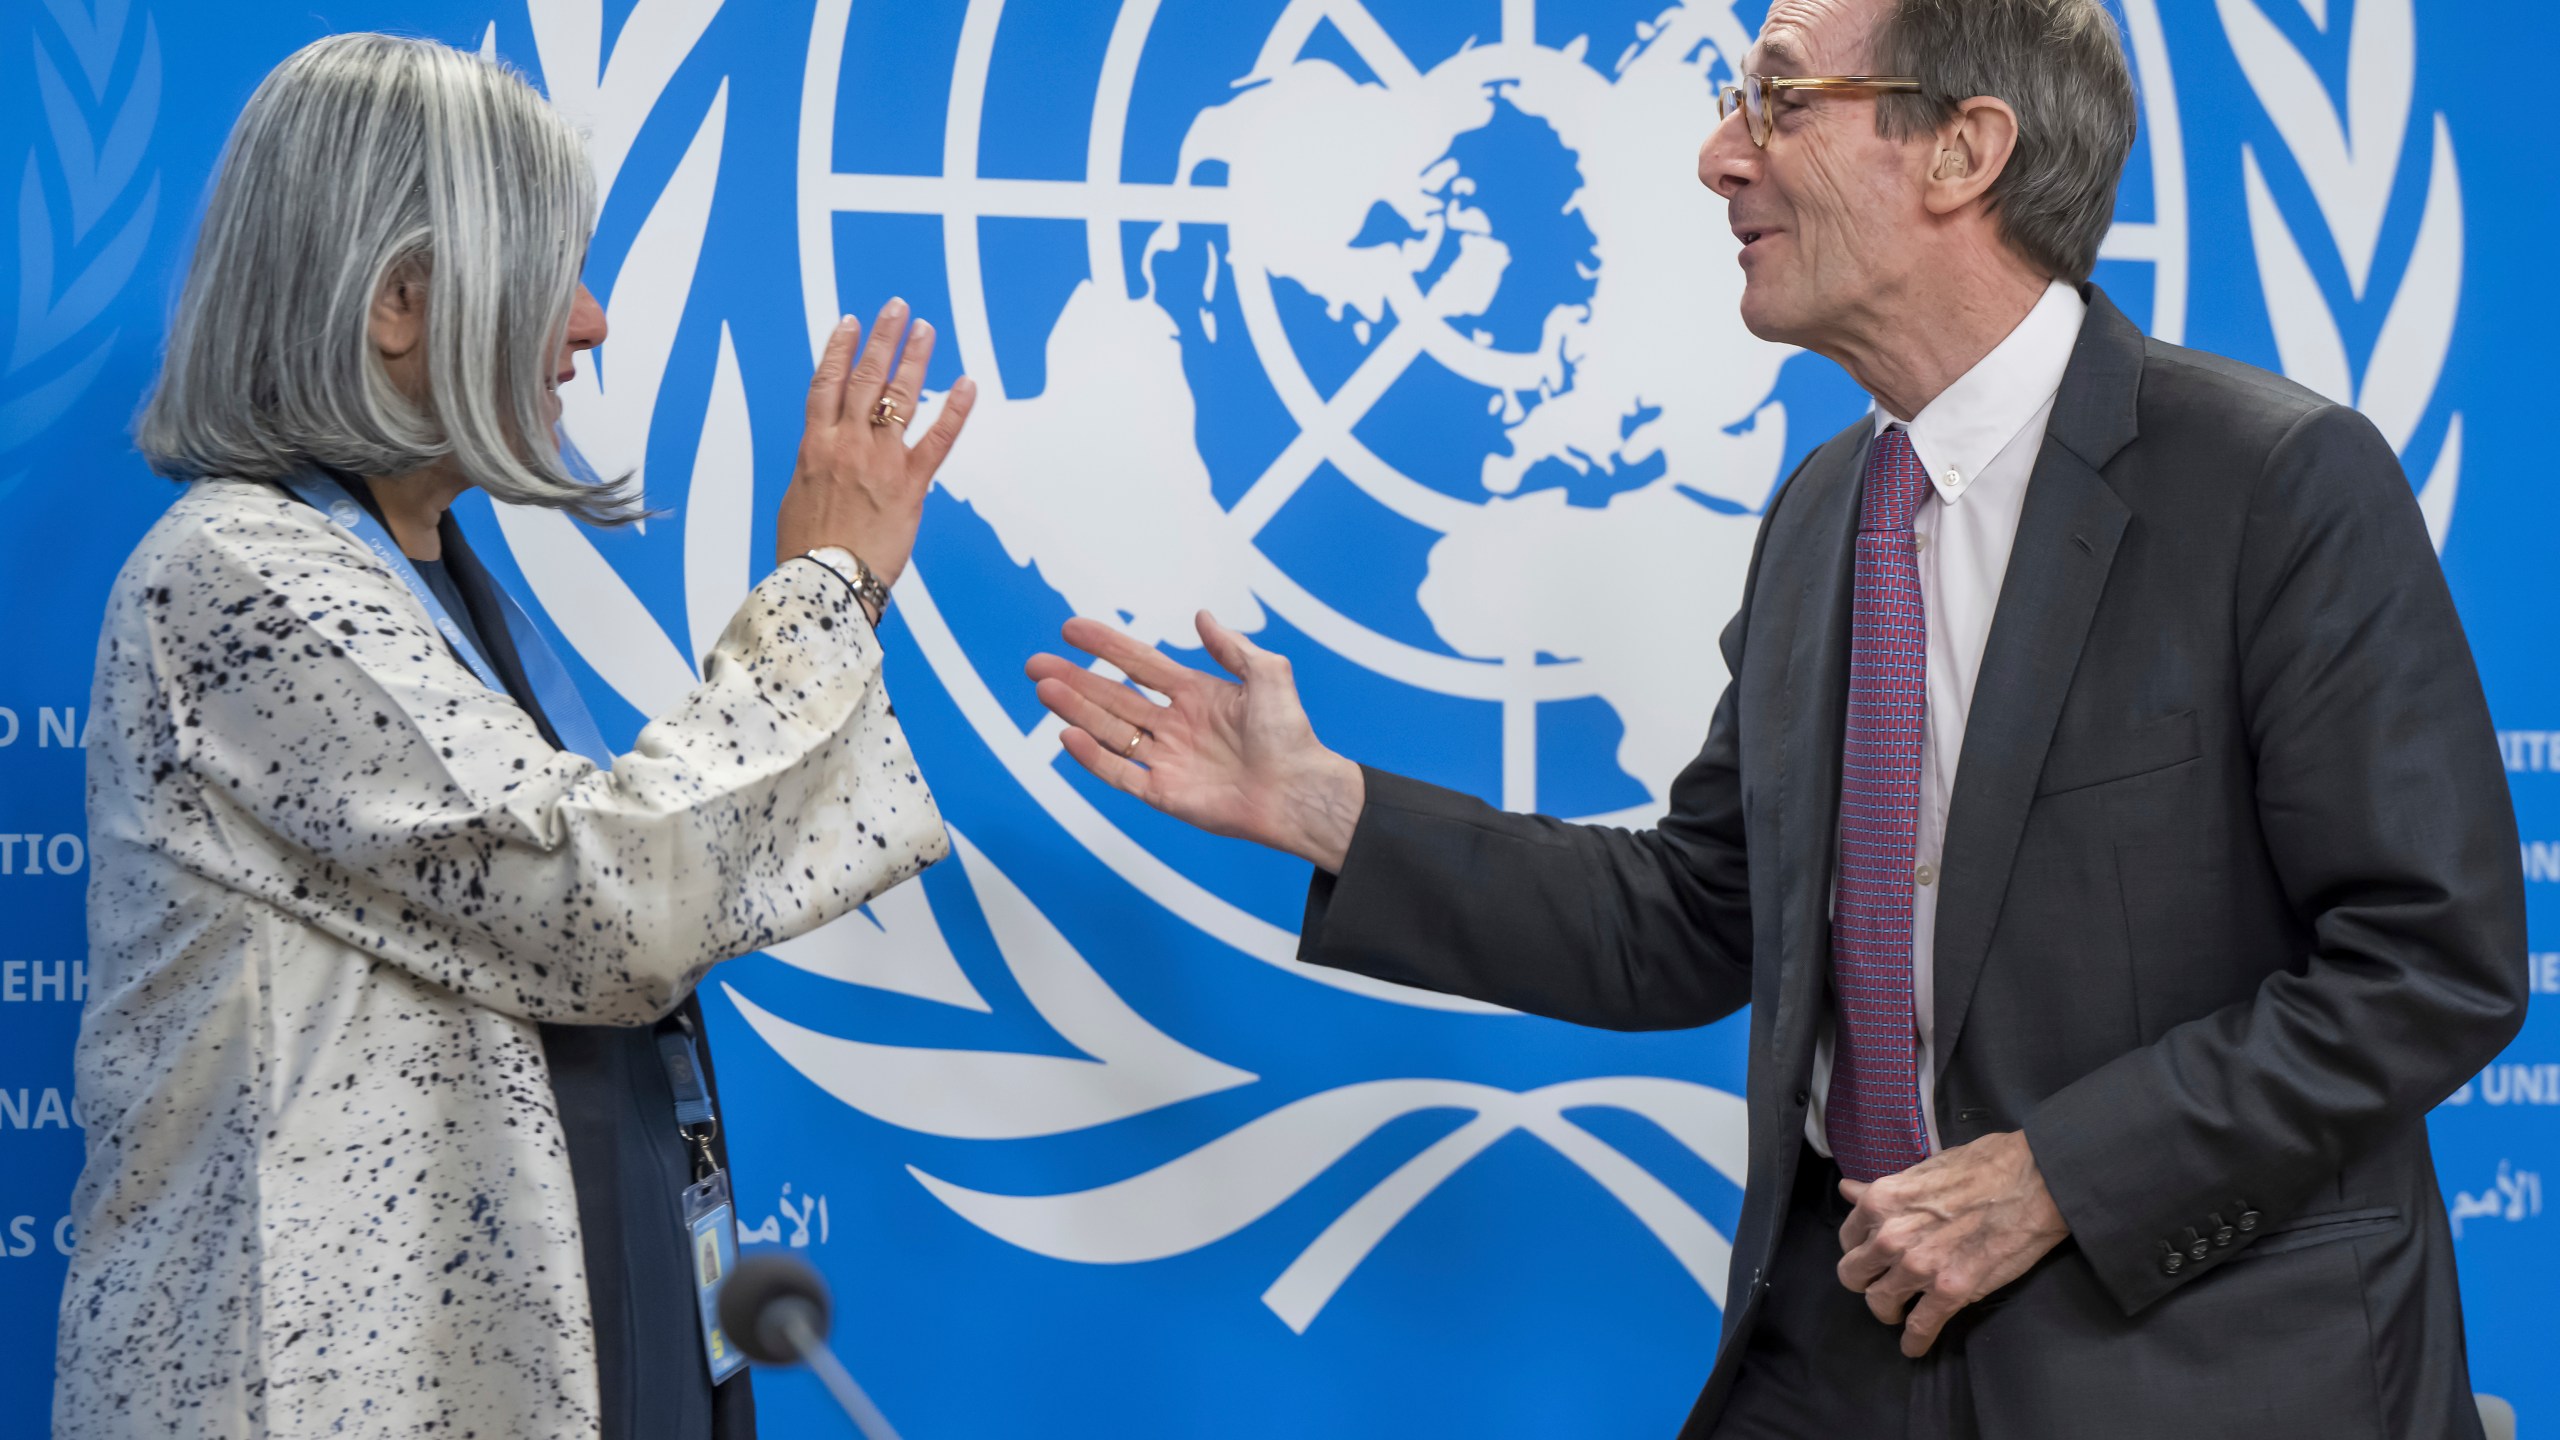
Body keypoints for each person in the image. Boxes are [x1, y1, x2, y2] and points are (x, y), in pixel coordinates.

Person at [1027, 0, 2525, 1434]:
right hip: (1844, 1346)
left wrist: (2057, 1178)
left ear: (1964, 150)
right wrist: (1328, 809)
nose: (1718, 155)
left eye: (1781, 99)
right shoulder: (1831, 510)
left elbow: (2431, 961)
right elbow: (1694, 918)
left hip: (2179, 1364)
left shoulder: (2272, 484)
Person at [60, 34, 976, 1440]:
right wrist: (826, 587)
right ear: (401, 300)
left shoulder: (434, 580)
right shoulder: (238, 571)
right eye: (558, 272)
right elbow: (597, 900)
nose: (594, 323)